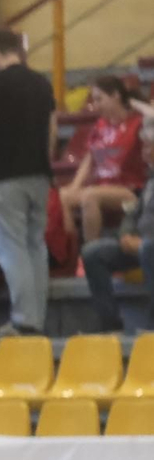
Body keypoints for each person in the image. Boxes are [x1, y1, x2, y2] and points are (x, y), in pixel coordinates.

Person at [0, 28, 56, 337]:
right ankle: (36, 319)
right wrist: (45, 165)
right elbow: (52, 133)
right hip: (39, 174)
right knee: (35, 246)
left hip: (7, 176)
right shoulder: (42, 83)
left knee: (11, 247)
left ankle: (24, 320)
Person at [81, 110, 154, 334]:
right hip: (138, 243)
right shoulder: (150, 180)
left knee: (148, 249)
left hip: (149, 245)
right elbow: (133, 212)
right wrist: (125, 234)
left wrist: (142, 242)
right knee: (93, 252)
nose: (143, 152)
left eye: (148, 146)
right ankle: (110, 325)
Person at [63, 75, 145, 243]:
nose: (96, 105)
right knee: (61, 197)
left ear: (116, 95)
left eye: (100, 99)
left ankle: (90, 253)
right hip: (103, 187)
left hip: (130, 192)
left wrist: (135, 104)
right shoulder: (100, 125)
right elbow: (89, 159)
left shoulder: (137, 123)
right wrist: (74, 186)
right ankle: (68, 253)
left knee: (90, 197)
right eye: (94, 100)